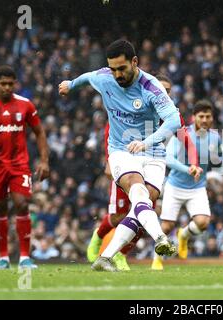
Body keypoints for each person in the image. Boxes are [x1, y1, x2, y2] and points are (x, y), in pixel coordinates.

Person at [59, 39, 185, 272]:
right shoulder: (104, 77)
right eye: (113, 68)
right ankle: (160, 239)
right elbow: (87, 77)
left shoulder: (151, 86)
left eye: (122, 68)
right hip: (120, 151)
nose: (117, 74)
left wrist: (146, 142)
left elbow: (175, 120)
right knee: (138, 192)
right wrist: (70, 84)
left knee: (143, 204)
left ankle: (105, 257)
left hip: (153, 152)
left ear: (134, 62)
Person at [85, 74, 201, 270]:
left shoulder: (171, 114)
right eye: (161, 88)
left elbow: (186, 139)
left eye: (168, 91)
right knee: (118, 216)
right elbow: (110, 130)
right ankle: (99, 235)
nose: (163, 93)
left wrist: (195, 162)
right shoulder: (134, 105)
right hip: (127, 163)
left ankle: (118, 255)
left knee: (141, 211)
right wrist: (108, 160)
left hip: (153, 164)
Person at [151, 99, 223, 270]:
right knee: (167, 226)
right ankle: (157, 259)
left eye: (208, 116)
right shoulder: (182, 134)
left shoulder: (214, 137)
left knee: (203, 223)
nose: (205, 120)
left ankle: (183, 235)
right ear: (193, 118)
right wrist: (188, 169)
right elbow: (168, 159)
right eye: (201, 116)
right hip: (175, 186)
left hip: (197, 188)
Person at [0, 65, 49, 270]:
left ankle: (24, 257)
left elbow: (40, 132)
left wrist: (44, 160)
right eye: (2, 84)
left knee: (22, 204)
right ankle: (3, 258)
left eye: (10, 84)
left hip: (19, 165)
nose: (6, 87)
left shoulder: (26, 105)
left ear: (15, 84)